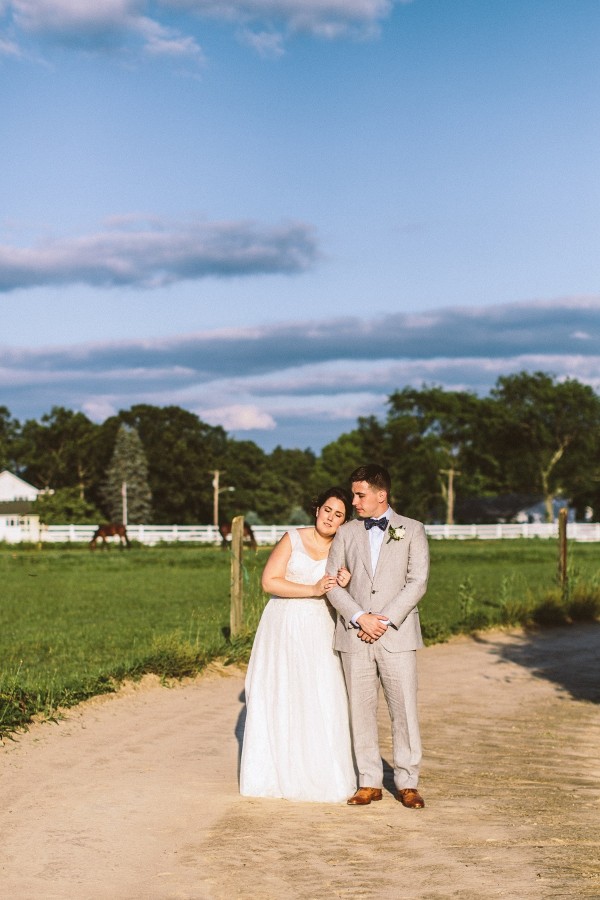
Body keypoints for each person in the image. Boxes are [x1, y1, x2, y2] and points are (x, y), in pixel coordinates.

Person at [240, 487, 357, 803]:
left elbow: (347, 595)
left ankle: (321, 773)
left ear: (345, 522)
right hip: (284, 623)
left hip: (320, 626)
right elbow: (269, 582)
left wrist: (345, 584)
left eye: (339, 515)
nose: (331, 518)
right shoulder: (292, 538)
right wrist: (313, 588)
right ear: (317, 509)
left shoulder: (343, 550)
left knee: (320, 691)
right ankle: (275, 773)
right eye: (328, 510)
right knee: (282, 689)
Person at [326, 464, 429, 808]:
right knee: (361, 710)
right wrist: (359, 617)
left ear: (381, 494)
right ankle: (368, 781)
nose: (354, 500)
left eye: (360, 494)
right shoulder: (345, 533)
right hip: (355, 635)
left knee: (404, 710)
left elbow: (417, 582)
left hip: (396, 635)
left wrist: (382, 620)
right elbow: (331, 583)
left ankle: (407, 781)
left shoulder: (412, 530)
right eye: (354, 493)